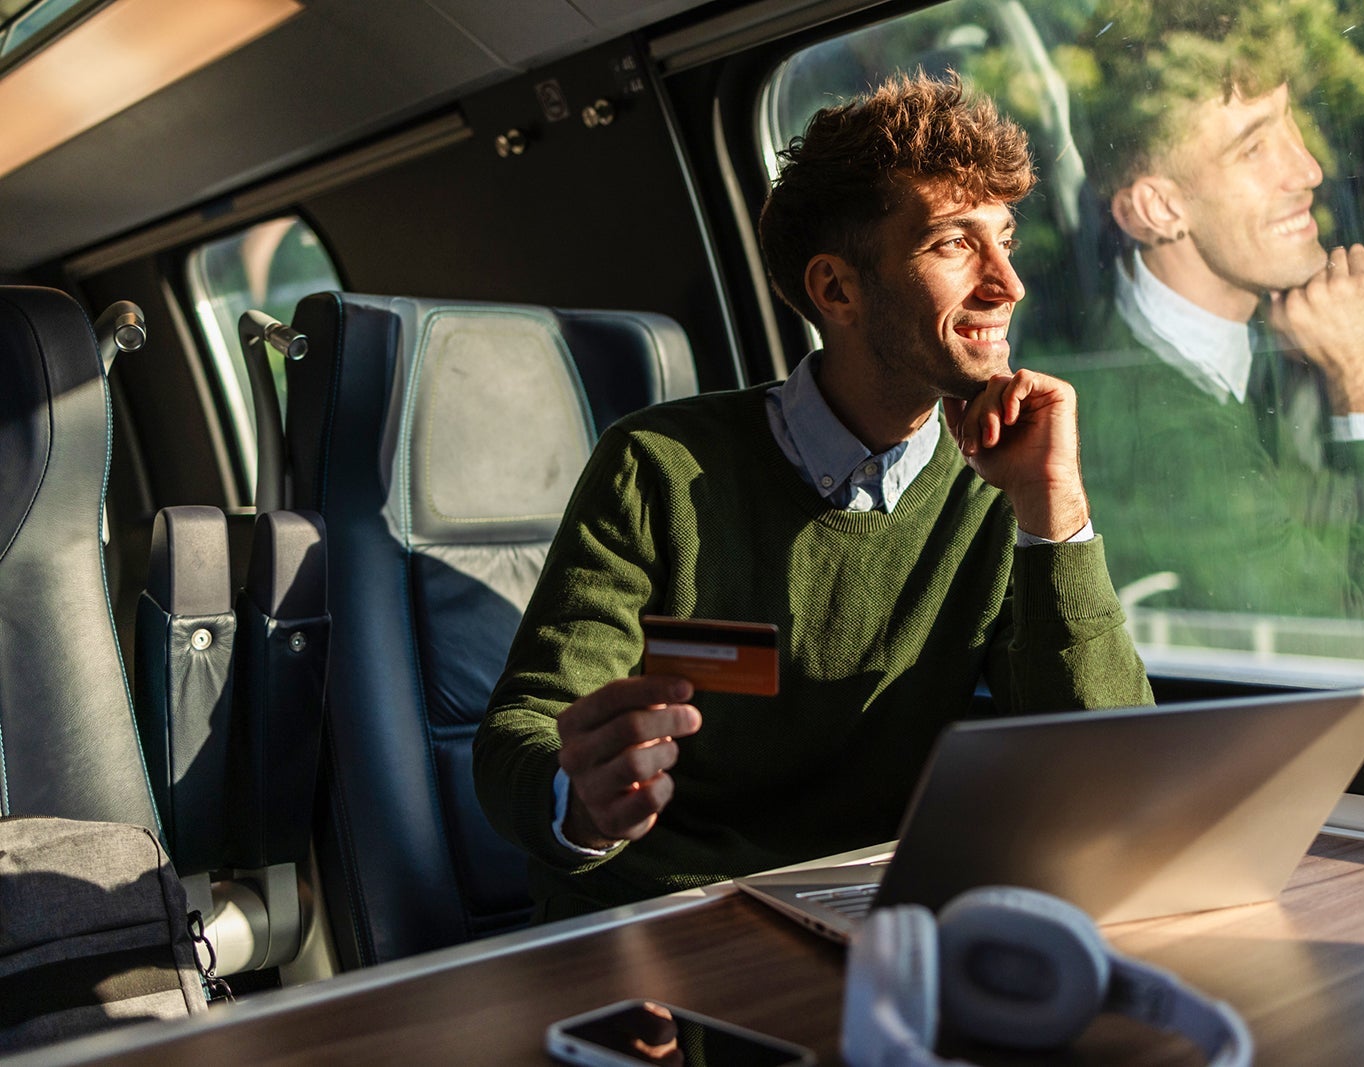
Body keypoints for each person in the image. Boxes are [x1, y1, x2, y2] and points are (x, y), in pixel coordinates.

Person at [474, 73, 1152, 921]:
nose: (1007, 283)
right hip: (670, 919)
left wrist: (1055, 511)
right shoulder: (657, 467)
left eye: (1004, 238)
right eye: (953, 244)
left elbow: (1102, 779)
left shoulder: (1000, 483)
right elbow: (522, 733)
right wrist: (582, 799)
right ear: (837, 291)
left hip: (886, 916)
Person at [1045, 1, 1364, 646]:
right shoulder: (1167, 451)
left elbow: (1303, 536)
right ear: (1157, 208)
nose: (1308, 169)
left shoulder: (1211, 347)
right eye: (1255, 146)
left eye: (1290, 120)